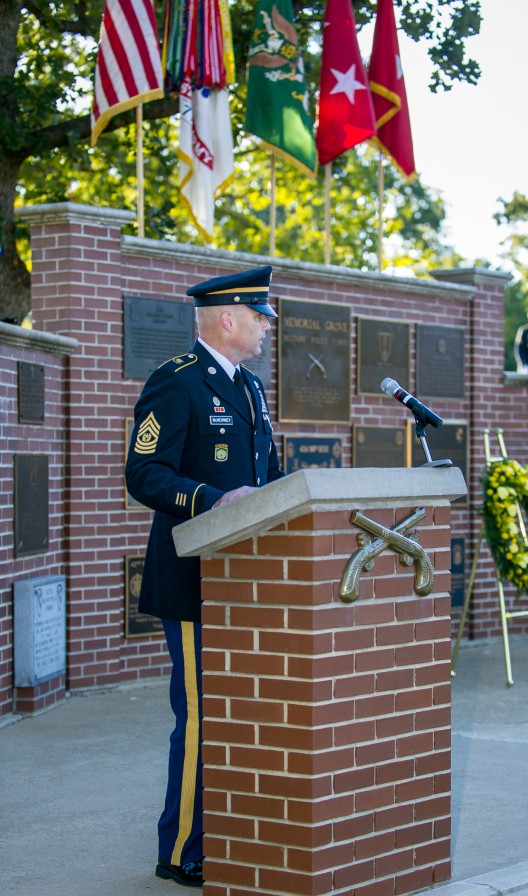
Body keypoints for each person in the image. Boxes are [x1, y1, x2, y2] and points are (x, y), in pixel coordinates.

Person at [125, 265, 284, 888]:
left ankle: (235, 829)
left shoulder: (251, 390)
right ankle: (183, 849)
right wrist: (211, 500)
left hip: (249, 577)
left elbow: (268, 479)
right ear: (228, 319)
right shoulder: (177, 383)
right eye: (260, 316)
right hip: (194, 577)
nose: (268, 327)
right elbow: (145, 476)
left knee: (241, 709)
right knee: (200, 715)